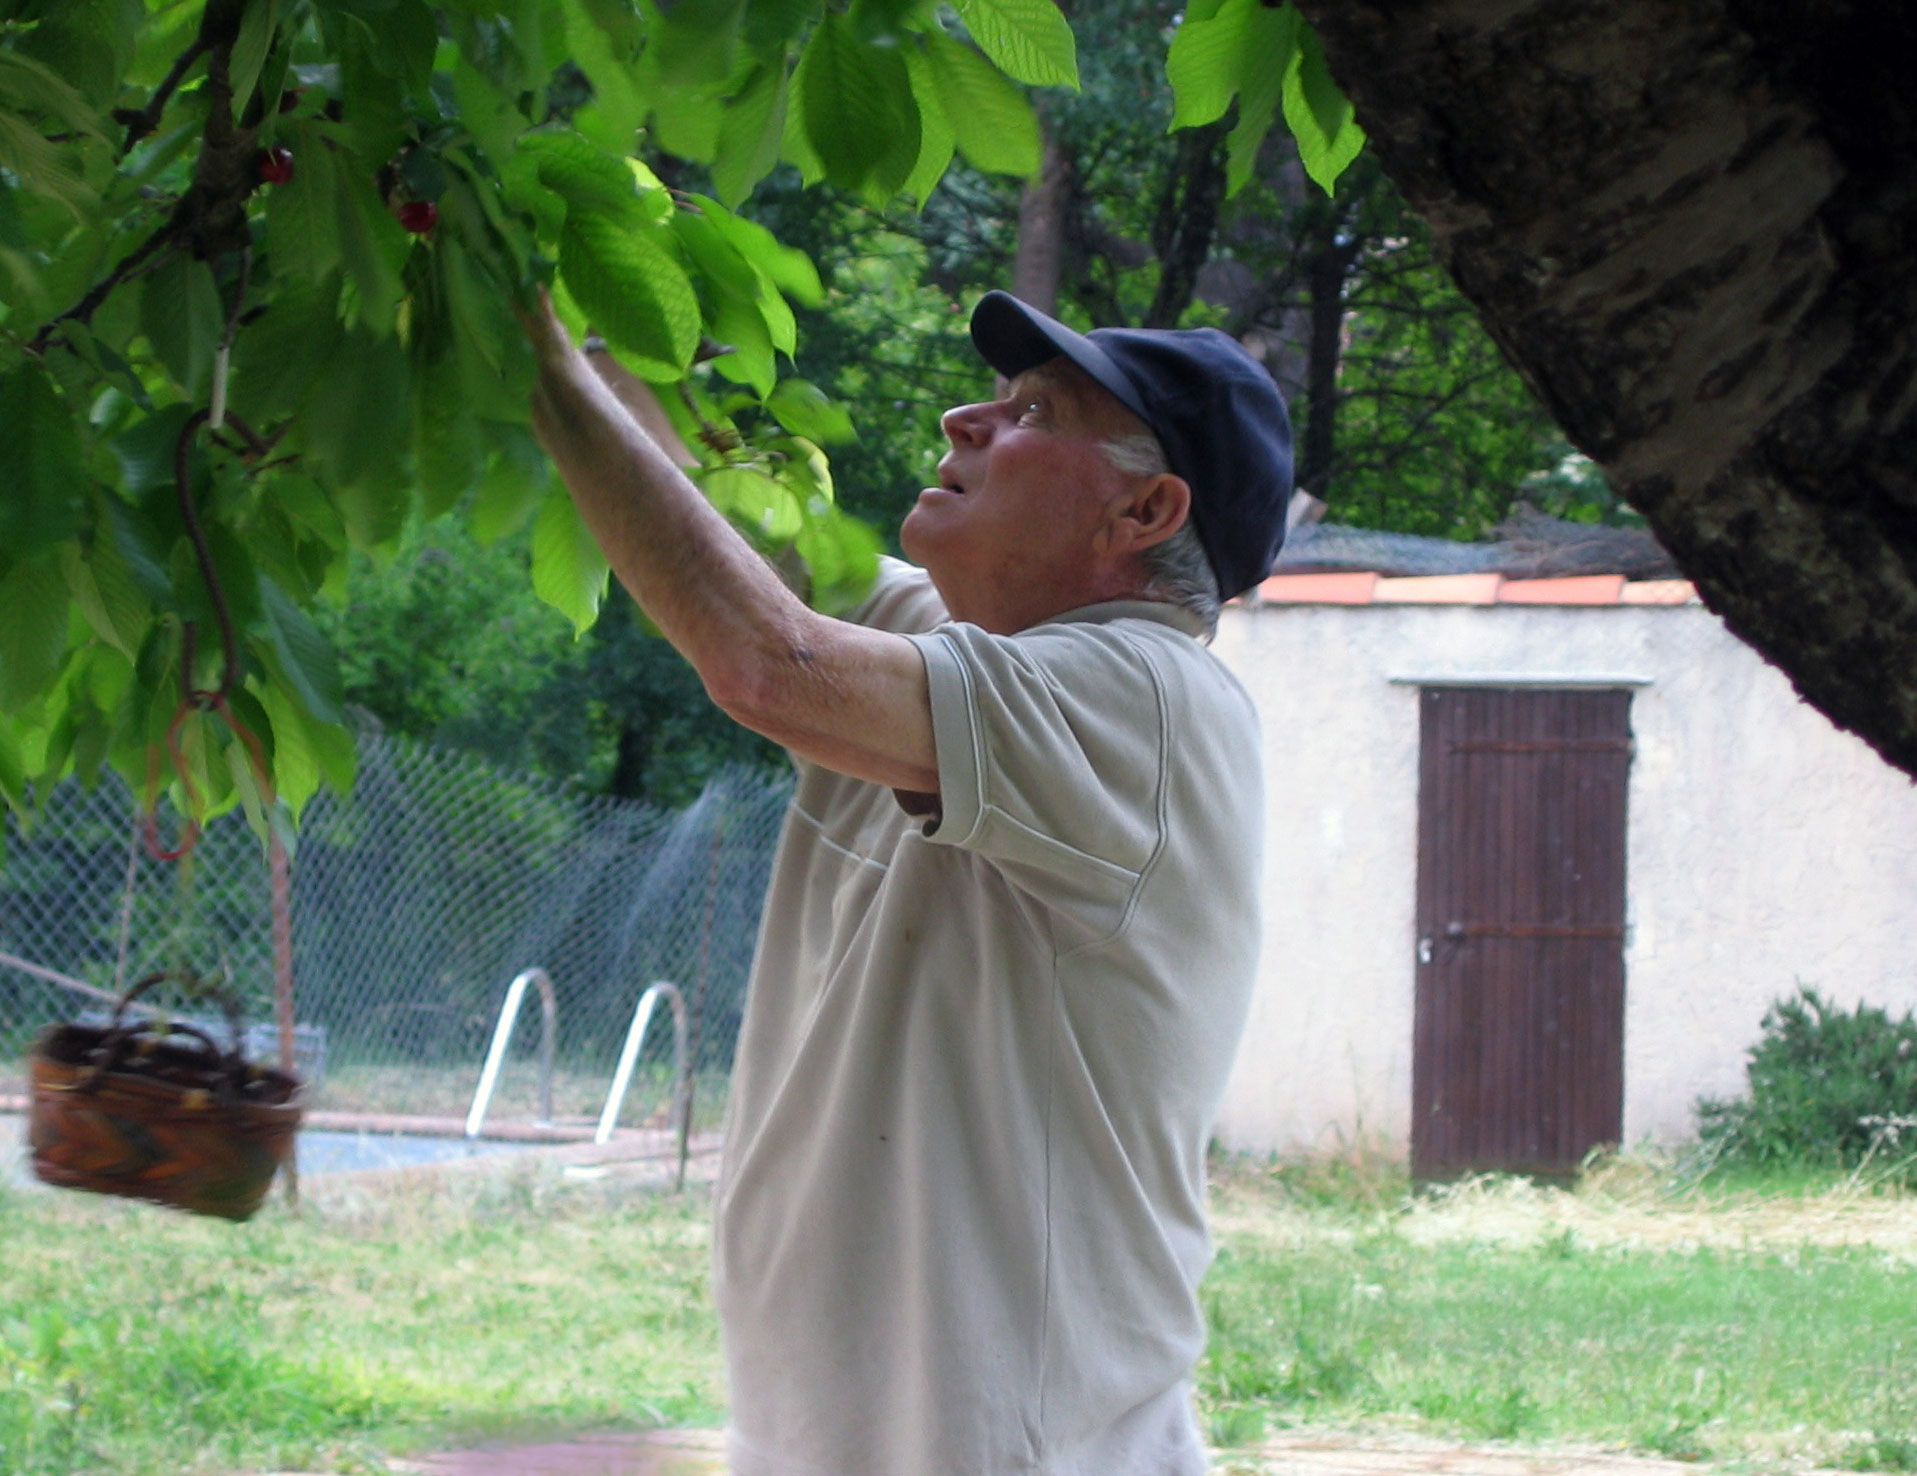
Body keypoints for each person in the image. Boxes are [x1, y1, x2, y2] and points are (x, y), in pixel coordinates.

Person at [525, 287, 1293, 1476]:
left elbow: (770, 662)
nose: (964, 415)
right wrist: (597, 343)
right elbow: (723, 547)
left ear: (1146, 510)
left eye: (1032, 409)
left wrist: (547, 379)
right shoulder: (949, 645)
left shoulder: (1151, 695)